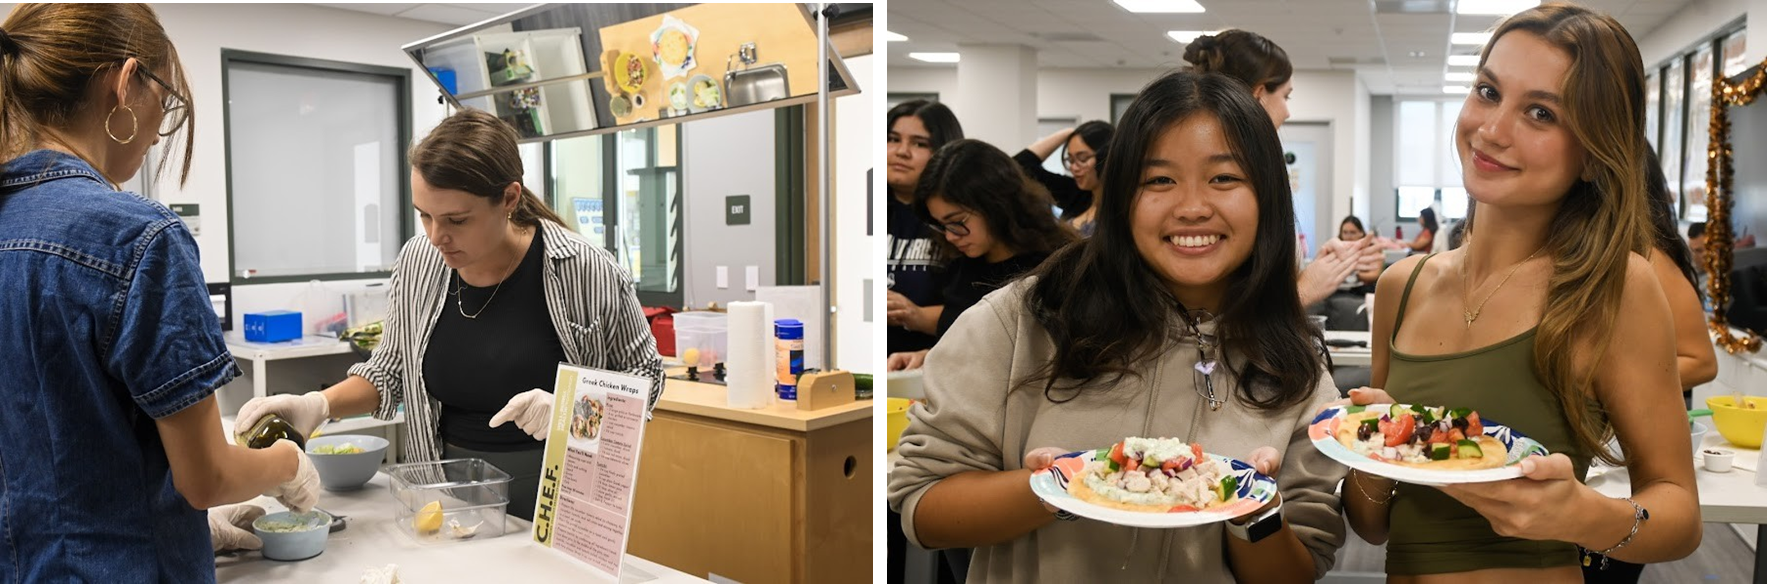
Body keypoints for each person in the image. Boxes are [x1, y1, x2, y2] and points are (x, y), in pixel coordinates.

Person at [888, 70, 1347, 583]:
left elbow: (1298, 568)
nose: (1192, 208)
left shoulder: (1293, 366)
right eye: (1159, 180)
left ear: (1267, 196)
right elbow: (922, 504)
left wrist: (1254, 512)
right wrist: (1057, 488)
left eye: (1224, 178)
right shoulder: (1028, 317)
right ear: (1122, 195)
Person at [1339, 4, 1701, 581]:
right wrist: (1376, 446)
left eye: (1539, 113)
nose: (1493, 129)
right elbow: (1373, 524)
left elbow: (1680, 516)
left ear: (1591, 153)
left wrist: (1582, 515)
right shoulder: (1400, 287)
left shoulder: (1611, 290)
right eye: (1487, 91)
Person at [0, 3, 319, 579]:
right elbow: (207, 478)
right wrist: (286, 462)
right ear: (126, 86)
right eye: (165, 104)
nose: (155, 133)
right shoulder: (141, 238)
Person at [234, 108, 662, 522]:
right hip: (445, 493)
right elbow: (390, 370)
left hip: (561, 495)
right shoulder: (420, 262)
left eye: (457, 219)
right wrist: (319, 404)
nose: (437, 237)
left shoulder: (584, 269)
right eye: (425, 215)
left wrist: (577, 410)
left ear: (509, 198)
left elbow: (647, 376)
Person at [1184, 29, 1384, 307]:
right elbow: (1223, 319)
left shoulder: (1252, 168)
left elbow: (1256, 284)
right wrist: (1306, 289)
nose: (1288, 112)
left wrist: (1313, 268)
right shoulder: (1233, 180)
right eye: (1286, 96)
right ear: (1259, 96)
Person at [884, 140, 1078, 372]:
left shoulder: (1056, 264)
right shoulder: (964, 263)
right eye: (941, 225)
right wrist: (930, 357)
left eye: (957, 222)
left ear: (995, 205)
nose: (950, 236)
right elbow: (966, 345)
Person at [884, 100, 963, 355]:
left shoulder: (958, 220)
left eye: (919, 144)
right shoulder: (856, 213)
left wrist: (914, 315)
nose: (902, 152)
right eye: (893, 139)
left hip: (931, 365)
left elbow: (978, 312)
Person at [1016, 121, 1113, 236]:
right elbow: (1019, 166)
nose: (1074, 168)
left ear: (1105, 156)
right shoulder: (1076, 194)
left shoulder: (1122, 202)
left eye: (1082, 158)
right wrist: (1069, 132)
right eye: (1071, 160)